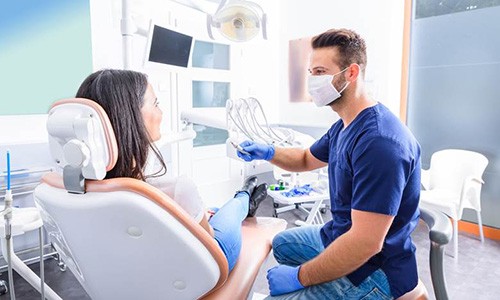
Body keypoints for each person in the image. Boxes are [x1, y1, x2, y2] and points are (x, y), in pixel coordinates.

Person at [237, 28, 421, 299]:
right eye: (311, 72)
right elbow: (304, 158)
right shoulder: (344, 126)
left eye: (321, 72)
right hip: (340, 234)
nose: (312, 81)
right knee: (281, 244)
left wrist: (301, 276)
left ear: (351, 73)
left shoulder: (380, 143)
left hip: (375, 269)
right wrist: (267, 152)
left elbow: (365, 243)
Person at [75, 69, 268, 272]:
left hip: (130, 274)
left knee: (214, 211)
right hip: (202, 271)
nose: (162, 112)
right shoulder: (176, 189)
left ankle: (229, 205)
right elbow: (209, 245)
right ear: (131, 116)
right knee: (232, 211)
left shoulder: (77, 188)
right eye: (156, 104)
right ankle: (245, 197)